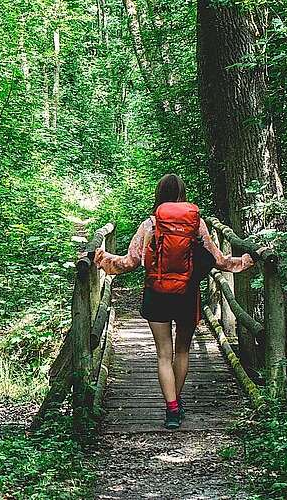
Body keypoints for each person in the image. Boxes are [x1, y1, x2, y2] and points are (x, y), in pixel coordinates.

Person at [96, 174, 254, 429]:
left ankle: (171, 408)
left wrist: (100, 258)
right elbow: (218, 259)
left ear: (159, 195)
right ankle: (176, 401)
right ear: (183, 194)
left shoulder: (150, 224)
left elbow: (129, 262)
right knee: (182, 351)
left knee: (162, 355)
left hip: (156, 293)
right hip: (187, 293)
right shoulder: (197, 224)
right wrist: (244, 261)